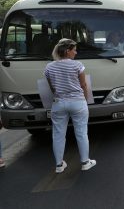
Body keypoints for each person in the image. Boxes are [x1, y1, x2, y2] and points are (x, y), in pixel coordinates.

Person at [44, 38, 96, 173]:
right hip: (77, 102)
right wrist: (84, 99)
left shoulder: (49, 67)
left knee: (58, 134)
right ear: (67, 51)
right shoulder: (77, 65)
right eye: (74, 50)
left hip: (59, 103)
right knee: (81, 132)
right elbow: (83, 85)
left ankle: (59, 165)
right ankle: (85, 162)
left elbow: (52, 87)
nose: (76, 52)